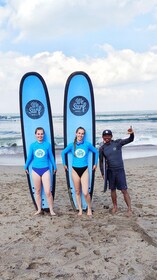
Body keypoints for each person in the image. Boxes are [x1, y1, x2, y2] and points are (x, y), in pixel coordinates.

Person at [61, 126, 98, 216]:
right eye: (79, 133)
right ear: (76, 133)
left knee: (85, 192)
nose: (81, 135)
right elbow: (63, 152)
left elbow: (96, 151)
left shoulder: (87, 144)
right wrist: (64, 164)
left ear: (84, 135)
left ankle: (89, 208)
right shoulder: (71, 145)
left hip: (84, 170)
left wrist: (95, 163)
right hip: (74, 170)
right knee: (77, 191)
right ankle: (80, 210)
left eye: (82, 133)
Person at [99, 127, 134, 216]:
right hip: (110, 171)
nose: (107, 137)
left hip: (119, 170)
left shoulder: (117, 143)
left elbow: (130, 139)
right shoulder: (102, 148)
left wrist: (131, 134)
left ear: (111, 136)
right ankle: (115, 206)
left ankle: (129, 209)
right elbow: (101, 162)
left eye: (108, 136)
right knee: (112, 189)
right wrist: (103, 173)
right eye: (105, 136)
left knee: (124, 190)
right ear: (102, 137)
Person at [24, 127, 57, 216]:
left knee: (47, 192)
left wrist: (54, 166)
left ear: (43, 135)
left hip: (45, 169)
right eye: (38, 134)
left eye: (41, 134)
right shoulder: (33, 145)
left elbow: (51, 157)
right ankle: (39, 209)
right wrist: (25, 166)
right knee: (37, 191)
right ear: (35, 135)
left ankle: (51, 210)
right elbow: (29, 157)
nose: (40, 135)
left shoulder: (47, 145)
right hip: (35, 170)